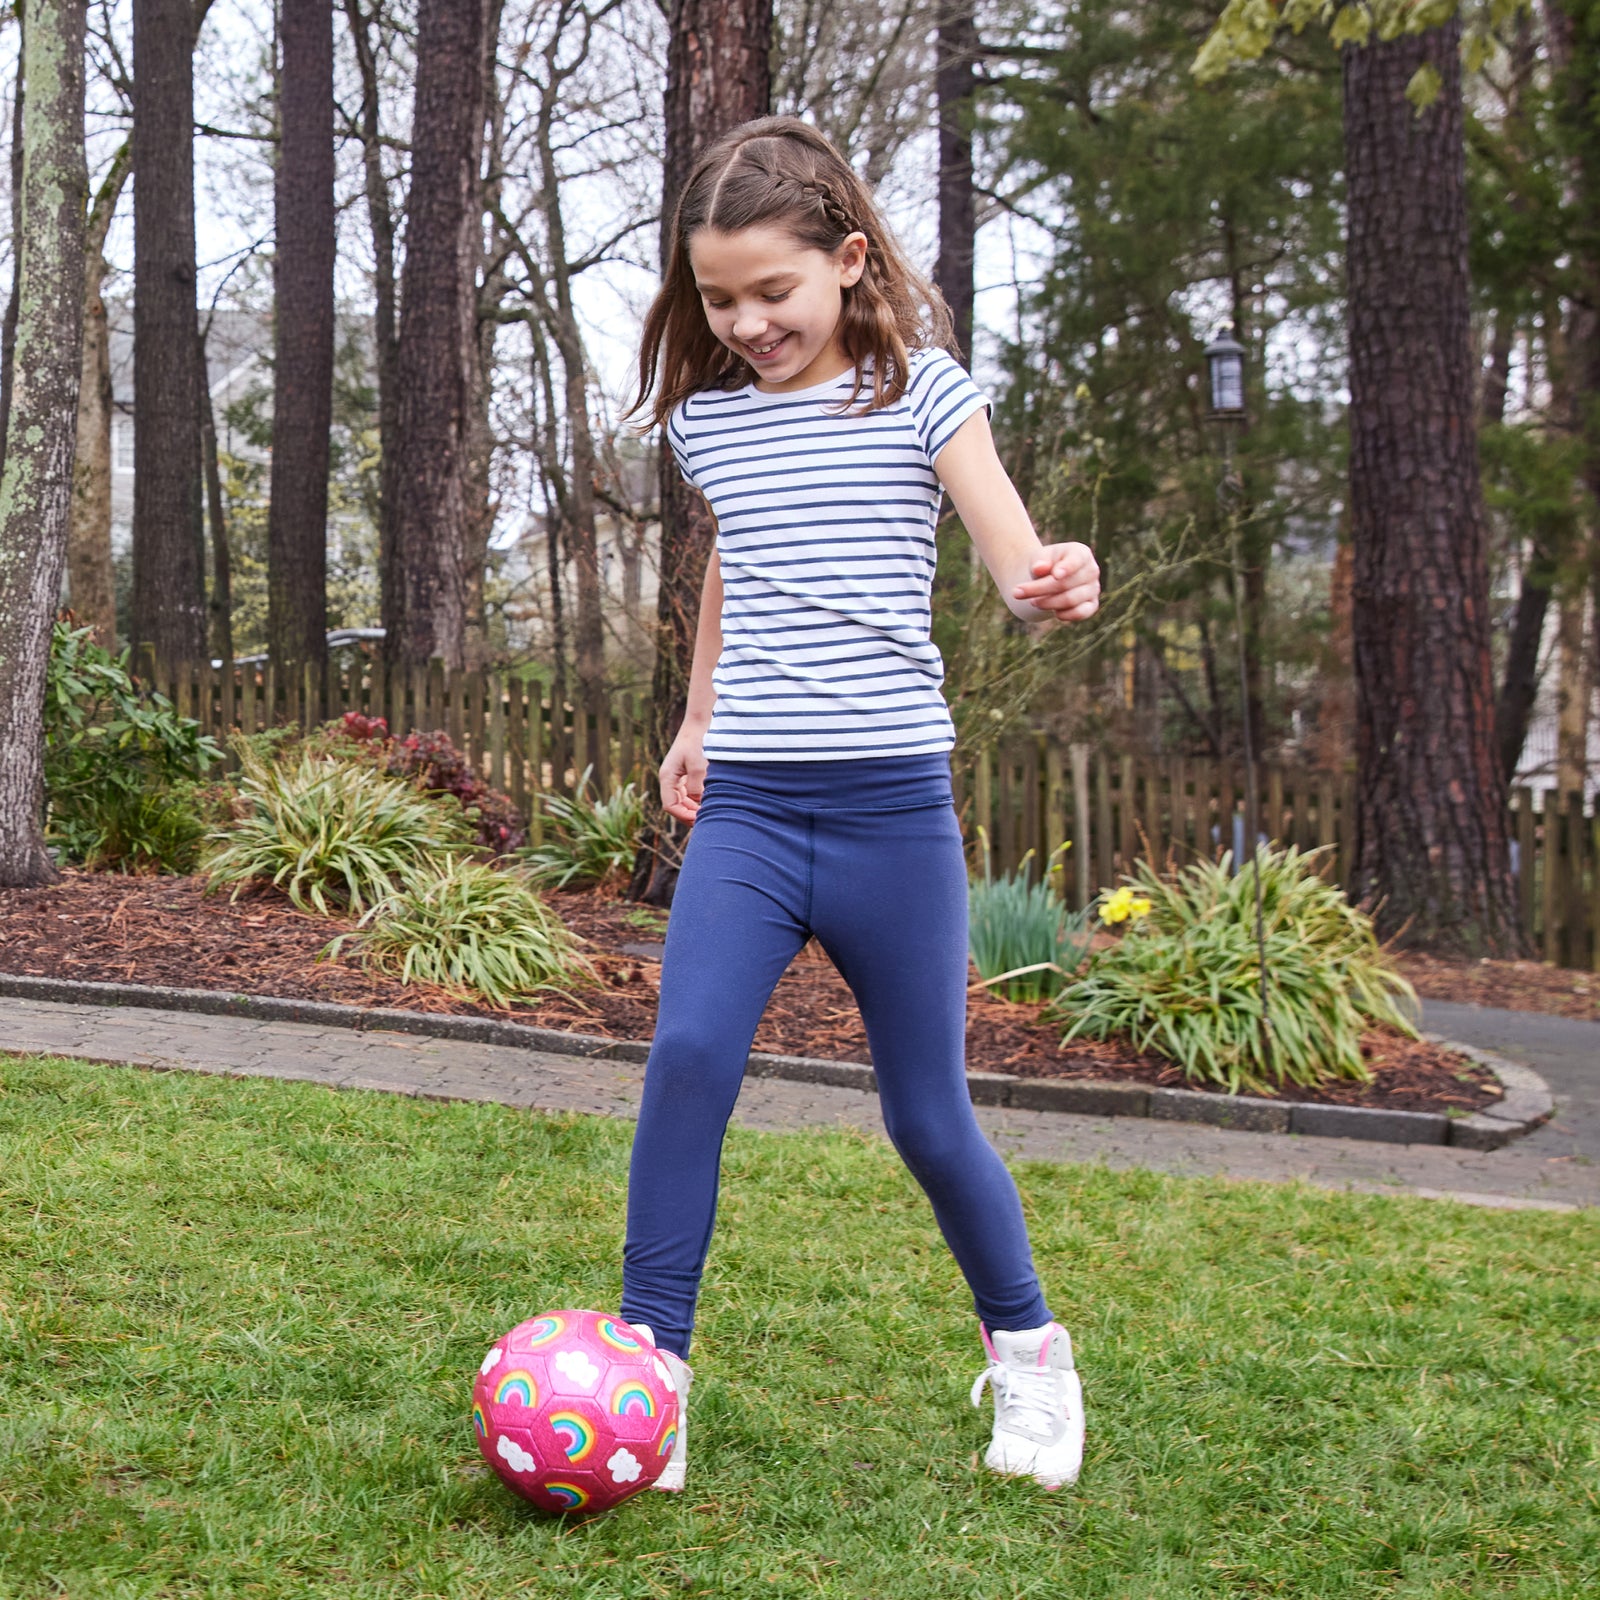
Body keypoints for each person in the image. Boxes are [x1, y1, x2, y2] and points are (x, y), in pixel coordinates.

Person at [618, 116, 1101, 1494]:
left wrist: (1057, 576)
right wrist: (698, 720)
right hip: (756, 813)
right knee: (689, 1064)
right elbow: (733, 570)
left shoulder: (926, 394)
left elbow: (1014, 552)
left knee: (926, 1113)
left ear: (846, 260)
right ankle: (654, 1375)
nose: (747, 320)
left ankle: (1029, 1356)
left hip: (893, 811)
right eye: (719, 299)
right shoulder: (708, 427)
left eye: (773, 291)